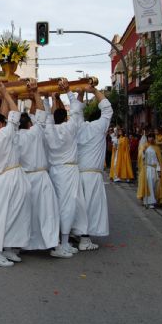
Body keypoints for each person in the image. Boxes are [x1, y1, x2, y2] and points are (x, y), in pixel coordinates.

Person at [0, 82, 31, 267]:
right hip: (11, 177)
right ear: (0, 124)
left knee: (12, 213)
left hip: (3, 178)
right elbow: (14, 113)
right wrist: (5, 93)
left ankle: (8, 247)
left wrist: (0, 97)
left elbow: (0, 118)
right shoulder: (4, 134)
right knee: (6, 215)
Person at [15, 82, 59, 253]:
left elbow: (36, 114)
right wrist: (35, 94)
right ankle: (51, 245)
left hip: (24, 178)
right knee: (48, 213)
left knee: (28, 214)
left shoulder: (14, 136)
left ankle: (26, 244)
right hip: (40, 178)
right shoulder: (35, 132)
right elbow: (41, 114)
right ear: (29, 124)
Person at [44, 81, 85, 258]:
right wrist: (69, 92)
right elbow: (76, 110)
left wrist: (47, 99)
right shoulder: (70, 127)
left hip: (55, 171)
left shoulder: (49, 130)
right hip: (68, 171)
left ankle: (60, 241)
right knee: (67, 206)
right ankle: (63, 242)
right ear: (65, 117)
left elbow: (45, 116)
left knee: (57, 205)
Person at [73, 84, 113, 251]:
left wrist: (80, 94)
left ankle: (76, 233)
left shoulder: (78, 127)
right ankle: (84, 239)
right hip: (92, 175)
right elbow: (107, 110)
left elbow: (76, 113)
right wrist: (95, 91)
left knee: (79, 207)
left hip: (77, 173)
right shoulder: (99, 127)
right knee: (90, 207)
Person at [136, 133, 162, 208]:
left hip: (154, 169)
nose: (151, 139)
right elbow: (141, 157)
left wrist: (158, 170)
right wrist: (143, 152)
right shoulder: (144, 146)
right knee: (148, 185)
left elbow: (158, 160)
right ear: (147, 138)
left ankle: (153, 200)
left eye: (152, 137)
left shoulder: (156, 148)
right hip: (147, 169)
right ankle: (149, 202)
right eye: (149, 137)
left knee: (154, 185)